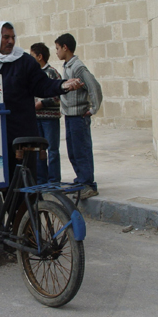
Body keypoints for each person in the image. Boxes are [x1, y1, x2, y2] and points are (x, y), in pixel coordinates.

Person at [0, 21, 82, 183]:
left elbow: (42, 85)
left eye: (13, 37)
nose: (11, 41)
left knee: (23, 183)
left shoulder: (25, 61)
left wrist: (62, 85)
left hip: (20, 135)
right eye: (6, 37)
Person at [55, 33, 103, 198]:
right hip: (69, 115)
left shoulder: (77, 67)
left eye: (57, 48)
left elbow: (94, 86)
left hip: (78, 116)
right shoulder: (67, 67)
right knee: (73, 151)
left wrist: (93, 109)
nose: (56, 52)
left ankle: (88, 184)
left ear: (65, 47)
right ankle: (81, 180)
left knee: (82, 150)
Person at [30, 42, 62, 184]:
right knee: (38, 149)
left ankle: (54, 180)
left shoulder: (52, 73)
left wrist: (42, 104)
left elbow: (58, 95)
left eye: (32, 56)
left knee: (52, 150)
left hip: (50, 119)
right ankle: (41, 180)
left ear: (40, 57)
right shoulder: (31, 74)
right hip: (36, 118)